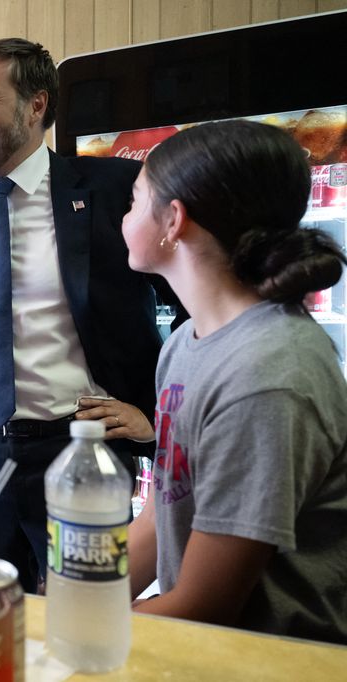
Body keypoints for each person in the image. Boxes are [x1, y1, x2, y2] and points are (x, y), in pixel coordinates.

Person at [0, 38, 176, 592]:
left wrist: (154, 418)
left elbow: (190, 301)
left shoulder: (109, 190)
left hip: (80, 449)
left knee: (85, 604)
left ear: (36, 105)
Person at [120, 120, 347, 644]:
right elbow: (162, 511)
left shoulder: (267, 375)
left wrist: (68, 627)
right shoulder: (185, 342)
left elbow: (207, 604)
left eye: (134, 201)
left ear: (173, 221)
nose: (124, 216)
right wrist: (67, 597)